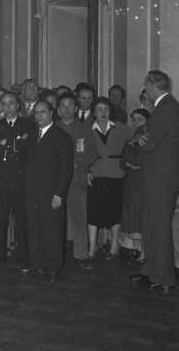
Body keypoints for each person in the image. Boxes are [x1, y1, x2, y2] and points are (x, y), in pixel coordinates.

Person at [130, 70, 179, 294]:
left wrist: (139, 140)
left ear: (152, 86)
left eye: (146, 86)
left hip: (161, 180)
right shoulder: (165, 107)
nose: (145, 91)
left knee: (158, 228)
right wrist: (141, 139)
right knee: (151, 226)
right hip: (158, 179)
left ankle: (163, 277)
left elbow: (149, 143)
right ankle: (151, 272)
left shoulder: (166, 109)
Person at [25, 101, 73, 283]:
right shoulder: (31, 135)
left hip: (51, 193)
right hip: (32, 192)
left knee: (52, 232)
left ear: (52, 113)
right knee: (34, 230)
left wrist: (59, 194)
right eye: (36, 113)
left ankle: (53, 268)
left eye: (42, 112)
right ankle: (38, 265)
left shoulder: (61, 137)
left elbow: (65, 169)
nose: (39, 116)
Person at [0, 92, 34, 268]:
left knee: (21, 221)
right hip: (0, 179)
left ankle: (25, 258)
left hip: (19, 179)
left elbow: (27, 147)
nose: (8, 107)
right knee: (0, 220)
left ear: (17, 105)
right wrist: (15, 143)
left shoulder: (28, 125)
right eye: (4, 104)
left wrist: (6, 145)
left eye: (11, 103)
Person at [87, 97, 132, 261]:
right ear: (93, 112)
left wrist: (127, 162)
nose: (103, 112)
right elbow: (82, 153)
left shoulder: (121, 128)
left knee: (115, 210)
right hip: (95, 173)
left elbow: (133, 143)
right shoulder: (87, 129)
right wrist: (87, 170)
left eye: (106, 109)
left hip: (116, 173)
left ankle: (114, 246)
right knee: (93, 210)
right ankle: (92, 247)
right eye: (99, 109)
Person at [57, 92, 98, 271]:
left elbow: (91, 153)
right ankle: (55, 253)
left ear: (75, 108)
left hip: (76, 178)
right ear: (58, 109)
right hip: (56, 180)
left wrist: (78, 164)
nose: (66, 109)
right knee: (55, 217)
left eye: (70, 106)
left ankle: (81, 254)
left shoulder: (84, 129)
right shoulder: (53, 127)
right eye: (63, 106)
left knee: (79, 217)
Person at [120, 108, 149, 262]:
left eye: (140, 119)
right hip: (131, 182)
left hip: (141, 182)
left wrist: (130, 150)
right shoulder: (133, 138)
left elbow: (138, 161)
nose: (137, 122)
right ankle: (137, 250)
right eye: (134, 119)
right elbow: (122, 162)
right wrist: (128, 160)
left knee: (140, 217)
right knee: (132, 216)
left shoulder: (146, 138)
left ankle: (144, 253)